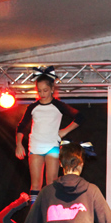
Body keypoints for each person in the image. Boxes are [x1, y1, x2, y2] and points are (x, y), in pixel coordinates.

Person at [15, 68, 83, 202]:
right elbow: (21, 126)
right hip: (35, 147)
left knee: (51, 182)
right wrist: (18, 144)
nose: (42, 94)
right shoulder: (33, 107)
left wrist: (64, 131)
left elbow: (80, 117)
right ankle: (34, 211)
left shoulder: (58, 105)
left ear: (52, 89)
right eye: (39, 91)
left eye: (45, 90)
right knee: (35, 184)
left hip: (52, 146)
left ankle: (50, 209)